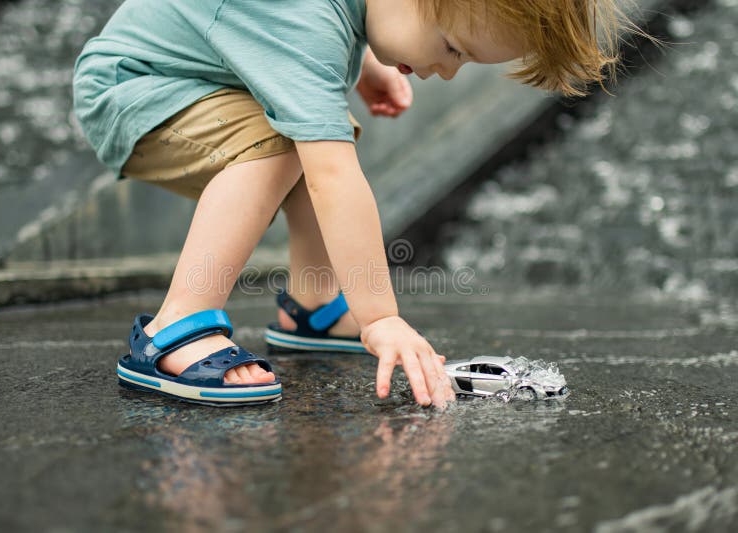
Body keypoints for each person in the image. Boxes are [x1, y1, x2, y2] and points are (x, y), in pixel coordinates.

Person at [73, 0, 629, 408]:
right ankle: (175, 325)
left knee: (315, 134)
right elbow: (333, 176)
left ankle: (313, 305)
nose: (447, 71)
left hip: (189, 79)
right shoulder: (301, 16)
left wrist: (366, 63)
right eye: (452, 47)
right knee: (293, 146)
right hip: (136, 91)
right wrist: (380, 317)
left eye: (465, 63)